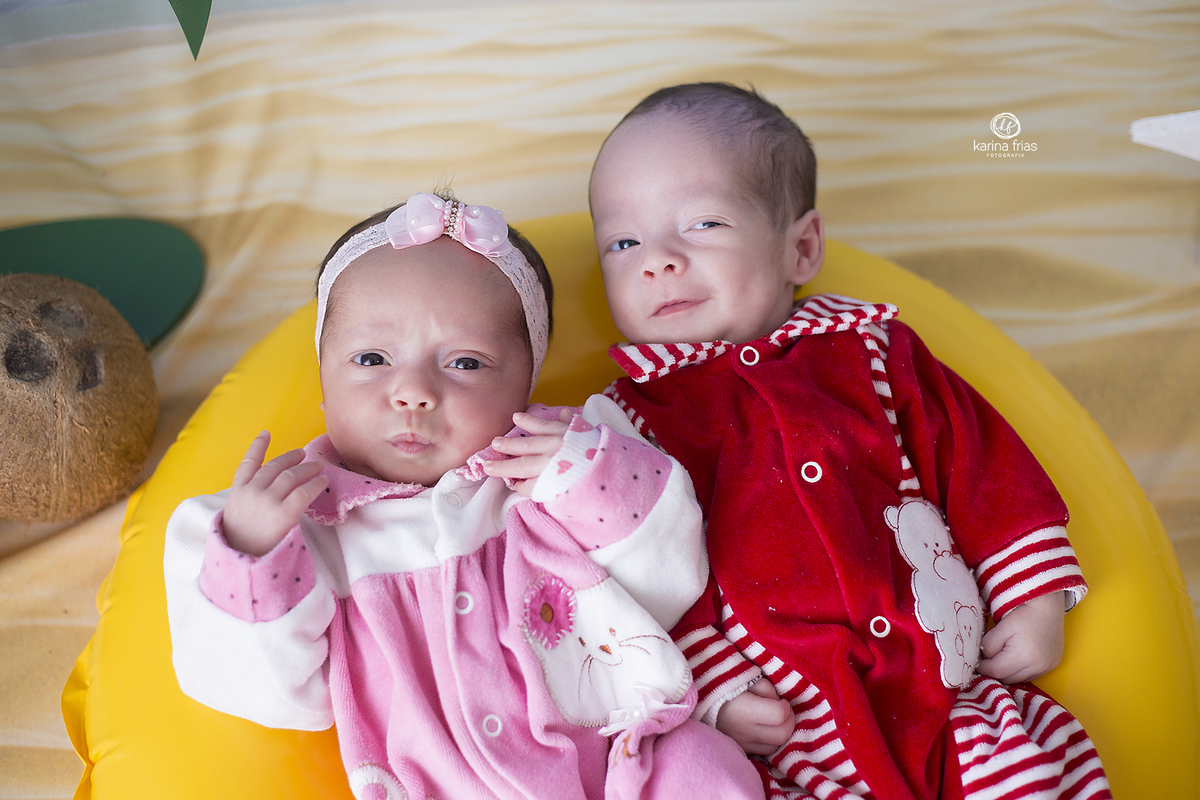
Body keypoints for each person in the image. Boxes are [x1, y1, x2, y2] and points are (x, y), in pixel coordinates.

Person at [589, 83, 1112, 800]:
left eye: (703, 224)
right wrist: (713, 690)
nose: (657, 260)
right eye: (624, 242)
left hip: (950, 692)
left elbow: (980, 463)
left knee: (1036, 771)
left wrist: (1035, 597)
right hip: (796, 737)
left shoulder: (872, 349)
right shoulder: (623, 428)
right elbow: (633, 577)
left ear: (800, 248)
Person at [164, 192, 764, 800]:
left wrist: (589, 476)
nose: (413, 390)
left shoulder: (553, 468)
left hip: (620, 760)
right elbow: (266, 693)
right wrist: (250, 554)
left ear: (523, 391)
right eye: (372, 358)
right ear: (323, 388)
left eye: (466, 363)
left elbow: (670, 578)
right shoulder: (308, 531)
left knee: (700, 767)